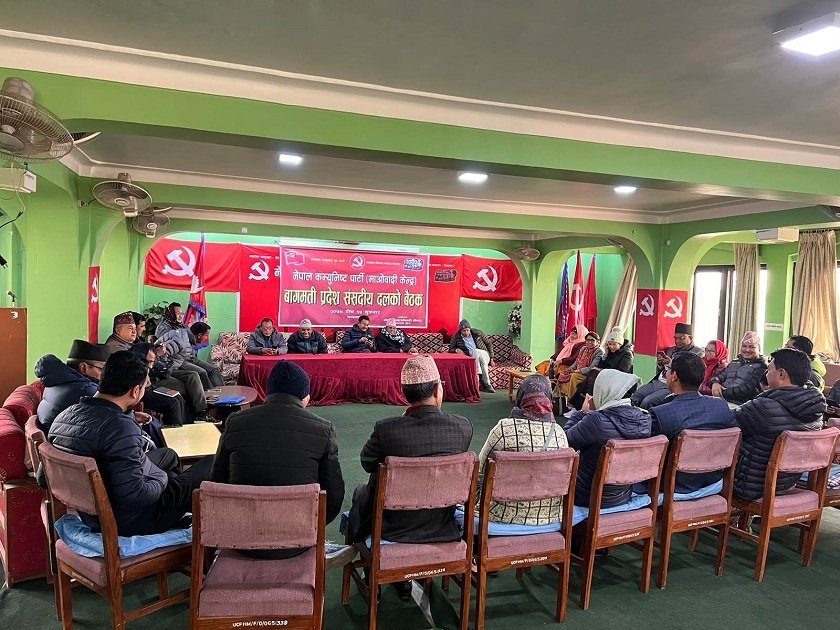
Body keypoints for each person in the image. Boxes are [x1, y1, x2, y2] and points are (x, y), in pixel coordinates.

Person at [47, 351, 213, 536]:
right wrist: (160, 478)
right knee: (210, 463)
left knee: (169, 455)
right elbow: (137, 496)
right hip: (128, 519)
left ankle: (173, 514)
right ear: (135, 391)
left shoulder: (65, 414)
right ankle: (175, 520)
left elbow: (42, 478)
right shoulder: (120, 428)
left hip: (92, 512)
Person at [210, 360, 345, 560]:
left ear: (267, 391)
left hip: (240, 539)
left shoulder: (236, 422)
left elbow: (217, 482)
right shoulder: (322, 429)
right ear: (305, 397)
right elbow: (333, 495)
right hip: (298, 541)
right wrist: (312, 527)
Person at [348, 355, 473, 545]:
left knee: (361, 490)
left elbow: (368, 463)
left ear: (403, 392)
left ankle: (368, 564)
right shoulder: (462, 427)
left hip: (392, 529)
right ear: (437, 389)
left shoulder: (387, 429)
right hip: (442, 526)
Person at [733, 348, 825, 502]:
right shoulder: (817, 408)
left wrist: (763, 395)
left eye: (769, 370)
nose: (766, 375)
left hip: (751, 487)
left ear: (781, 374)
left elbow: (726, 422)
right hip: (787, 484)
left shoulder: (763, 407)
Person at [478, 374, 568, 525]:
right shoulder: (559, 432)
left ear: (521, 396)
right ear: (548, 397)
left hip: (502, 515)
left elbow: (480, 469)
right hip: (549, 517)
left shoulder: (504, 428)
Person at [647, 353, 736, 494]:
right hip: (712, 481)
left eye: (668, 369)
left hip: (674, 486)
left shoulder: (662, 413)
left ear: (674, 376)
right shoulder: (721, 406)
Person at [563, 369, 649, 508]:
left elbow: (565, 443)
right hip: (623, 495)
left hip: (586, 495)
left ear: (605, 391)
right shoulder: (645, 419)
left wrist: (581, 413)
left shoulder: (596, 420)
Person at [35, 339, 109, 432]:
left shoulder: (55, 382)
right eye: (102, 369)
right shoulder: (86, 391)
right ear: (83, 367)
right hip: (63, 444)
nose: (105, 375)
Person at [631, 323, 703, 410]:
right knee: (636, 395)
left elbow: (689, 370)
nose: (678, 341)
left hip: (673, 385)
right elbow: (663, 368)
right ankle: (632, 419)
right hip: (658, 381)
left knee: (647, 401)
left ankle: (646, 422)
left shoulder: (698, 352)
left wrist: (671, 362)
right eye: (676, 338)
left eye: (682, 338)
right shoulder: (671, 350)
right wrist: (661, 363)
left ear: (690, 338)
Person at [156, 303, 220, 390]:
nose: (180, 316)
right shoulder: (163, 327)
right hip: (179, 359)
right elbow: (164, 349)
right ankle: (210, 397)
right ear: (171, 313)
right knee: (202, 372)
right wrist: (167, 368)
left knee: (214, 369)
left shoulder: (182, 326)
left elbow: (191, 340)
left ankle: (221, 394)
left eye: (182, 313)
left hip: (189, 357)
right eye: (178, 313)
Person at [569, 326, 633, 409]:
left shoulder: (627, 354)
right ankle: (582, 404)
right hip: (605, 376)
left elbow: (622, 371)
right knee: (592, 374)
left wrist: (604, 372)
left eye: (614, 344)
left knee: (592, 374)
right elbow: (599, 366)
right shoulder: (609, 352)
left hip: (618, 379)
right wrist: (605, 354)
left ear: (620, 344)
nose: (611, 346)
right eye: (609, 344)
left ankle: (580, 405)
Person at [130, 342, 190, 427]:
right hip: (140, 391)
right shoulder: (133, 364)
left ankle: (186, 427)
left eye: (152, 362)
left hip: (149, 387)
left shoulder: (145, 353)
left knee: (177, 396)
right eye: (148, 362)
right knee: (173, 403)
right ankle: (174, 432)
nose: (150, 366)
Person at [710, 331, 767, 406]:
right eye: (744, 346)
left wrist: (722, 392)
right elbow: (718, 376)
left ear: (759, 349)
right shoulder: (734, 362)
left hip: (741, 405)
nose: (747, 350)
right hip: (721, 400)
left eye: (751, 347)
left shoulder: (762, 366)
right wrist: (715, 383)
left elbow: (748, 389)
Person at [449, 319, 495, 393]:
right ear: (460, 330)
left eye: (467, 330)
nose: (466, 332)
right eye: (464, 331)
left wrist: (492, 358)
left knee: (476, 351)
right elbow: (450, 349)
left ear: (470, 329)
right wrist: (456, 350)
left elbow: (489, 343)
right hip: (474, 358)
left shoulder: (478, 333)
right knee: (481, 360)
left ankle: (478, 375)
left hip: (485, 354)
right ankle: (487, 384)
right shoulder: (456, 337)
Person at [555, 331, 604, 401]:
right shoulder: (583, 349)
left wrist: (577, 371)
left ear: (598, 342)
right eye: (587, 340)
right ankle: (560, 398)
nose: (589, 342)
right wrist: (570, 368)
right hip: (578, 371)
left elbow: (592, 368)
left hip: (589, 374)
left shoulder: (599, 351)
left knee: (574, 376)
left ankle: (571, 399)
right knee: (563, 372)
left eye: (592, 340)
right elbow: (576, 362)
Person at [188, 321, 224, 387]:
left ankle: (219, 391)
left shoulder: (192, 340)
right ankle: (215, 393)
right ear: (199, 335)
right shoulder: (186, 341)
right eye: (206, 335)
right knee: (212, 370)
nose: (206, 338)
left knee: (213, 369)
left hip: (192, 360)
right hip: (188, 361)